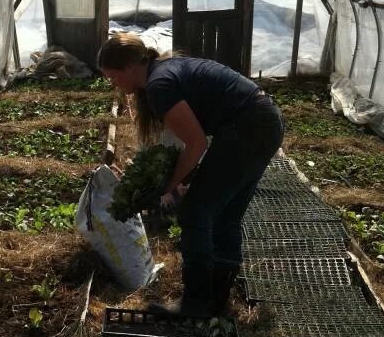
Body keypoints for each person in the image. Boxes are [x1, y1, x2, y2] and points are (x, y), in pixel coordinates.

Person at [98, 32, 283, 317]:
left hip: (248, 128)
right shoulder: (163, 73)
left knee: (195, 212)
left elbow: (197, 144)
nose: (115, 85)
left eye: (113, 77)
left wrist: (170, 184)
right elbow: (183, 140)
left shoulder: (160, 84)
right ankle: (217, 300)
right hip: (262, 122)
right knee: (226, 214)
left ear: (130, 68)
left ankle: (195, 303)